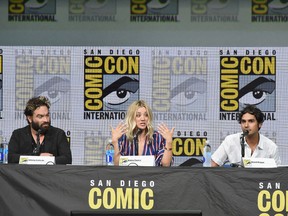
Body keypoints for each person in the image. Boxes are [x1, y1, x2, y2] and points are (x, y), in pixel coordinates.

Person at [8, 96, 72, 164]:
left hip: (50, 174)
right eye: (40, 116)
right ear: (30, 119)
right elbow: (12, 158)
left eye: (47, 115)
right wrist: (38, 158)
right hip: (25, 174)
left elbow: (67, 158)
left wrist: (47, 160)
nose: (46, 120)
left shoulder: (58, 134)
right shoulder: (18, 135)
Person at [211, 105, 281, 167]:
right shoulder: (230, 141)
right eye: (243, 121)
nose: (246, 125)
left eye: (251, 121)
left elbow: (278, 175)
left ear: (260, 124)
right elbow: (214, 164)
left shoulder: (271, 147)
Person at [111, 100, 175, 166]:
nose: (143, 118)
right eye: (138, 115)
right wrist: (115, 142)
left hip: (153, 176)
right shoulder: (124, 137)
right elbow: (117, 164)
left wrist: (169, 142)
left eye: (146, 115)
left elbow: (166, 164)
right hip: (129, 176)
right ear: (132, 117)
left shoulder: (157, 137)